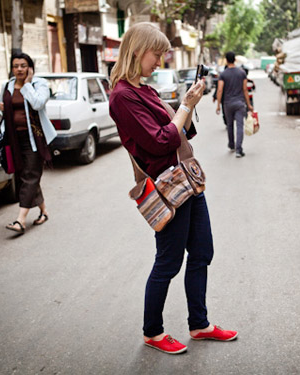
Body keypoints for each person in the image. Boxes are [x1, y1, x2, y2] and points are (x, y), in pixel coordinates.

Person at [109, 22, 238, 355]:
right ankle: (152, 332)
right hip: (167, 187)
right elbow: (160, 141)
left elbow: (181, 133)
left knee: (202, 252)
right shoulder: (123, 96)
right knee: (168, 262)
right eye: (157, 54)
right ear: (137, 51)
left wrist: (189, 104)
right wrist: (184, 106)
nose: (160, 61)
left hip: (187, 180)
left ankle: (200, 324)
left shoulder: (146, 90)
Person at [2, 53, 57, 235]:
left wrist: (27, 84)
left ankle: (20, 220)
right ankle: (44, 211)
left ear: (30, 67)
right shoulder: (8, 85)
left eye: (23, 65)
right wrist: (2, 107)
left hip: (35, 138)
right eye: (16, 66)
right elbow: (2, 105)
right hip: (15, 139)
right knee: (26, 175)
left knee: (30, 176)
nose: (19, 69)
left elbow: (37, 103)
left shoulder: (38, 84)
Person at [216, 51, 254, 158]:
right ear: (235, 60)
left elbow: (219, 90)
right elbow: (245, 89)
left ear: (226, 60)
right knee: (239, 126)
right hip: (240, 103)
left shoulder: (223, 74)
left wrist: (218, 105)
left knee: (230, 125)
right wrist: (249, 104)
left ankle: (231, 145)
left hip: (227, 104)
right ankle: (238, 150)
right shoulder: (242, 73)